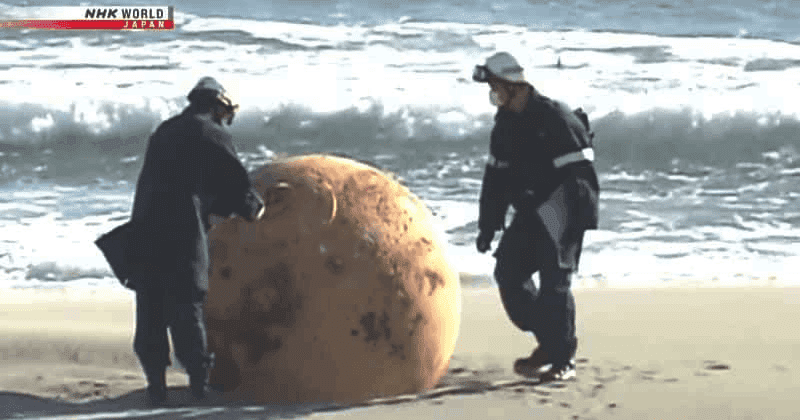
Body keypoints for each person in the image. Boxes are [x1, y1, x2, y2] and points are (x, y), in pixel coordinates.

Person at [126, 77, 265, 405]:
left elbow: (182, 181)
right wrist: (254, 209)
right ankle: (199, 386)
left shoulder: (165, 130)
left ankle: (156, 387)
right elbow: (236, 185)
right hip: (182, 233)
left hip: (145, 228)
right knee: (186, 305)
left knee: (151, 308)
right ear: (217, 106)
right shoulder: (213, 134)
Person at [472, 52, 599, 382]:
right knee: (508, 274)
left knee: (554, 284)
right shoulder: (504, 124)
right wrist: (488, 225)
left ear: (516, 86)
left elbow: (582, 176)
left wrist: (571, 225)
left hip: (564, 205)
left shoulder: (556, 117)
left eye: (497, 87)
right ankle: (550, 341)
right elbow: (495, 177)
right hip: (531, 209)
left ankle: (562, 360)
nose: (494, 94)